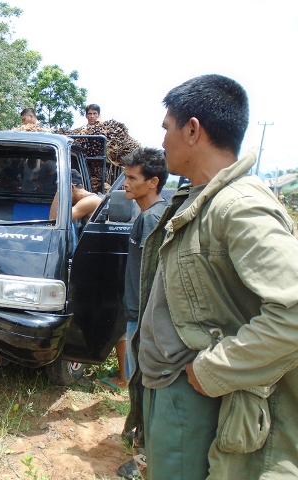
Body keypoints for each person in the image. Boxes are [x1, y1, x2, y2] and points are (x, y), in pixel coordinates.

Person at [125, 74, 298, 480]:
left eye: (166, 128)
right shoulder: (199, 199)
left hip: (199, 396)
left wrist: (211, 370)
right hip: (173, 391)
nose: (162, 140)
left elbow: (292, 314)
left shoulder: (239, 206)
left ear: (192, 130)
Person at [116, 147, 168, 479]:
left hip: (144, 318)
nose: (125, 183)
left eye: (132, 177)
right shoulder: (149, 214)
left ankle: (146, 459)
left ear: (153, 182)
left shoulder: (151, 218)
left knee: (145, 387)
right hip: (139, 314)